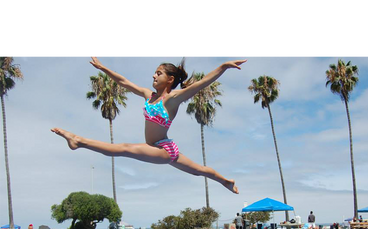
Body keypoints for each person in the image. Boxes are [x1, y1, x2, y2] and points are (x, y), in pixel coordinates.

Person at [51, 54, 247, 195]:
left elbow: (202, 83)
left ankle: (78, 140)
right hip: (160, 147)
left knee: (124, 148)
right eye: (154, 72)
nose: (154, 76)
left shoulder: (173, 99)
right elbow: (125, 82)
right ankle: (226, 181)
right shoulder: (149, 95)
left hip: (163, 149)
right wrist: (103, 69)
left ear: (170, 79)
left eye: (158, 73)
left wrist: (223, 66)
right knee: (198, 171)